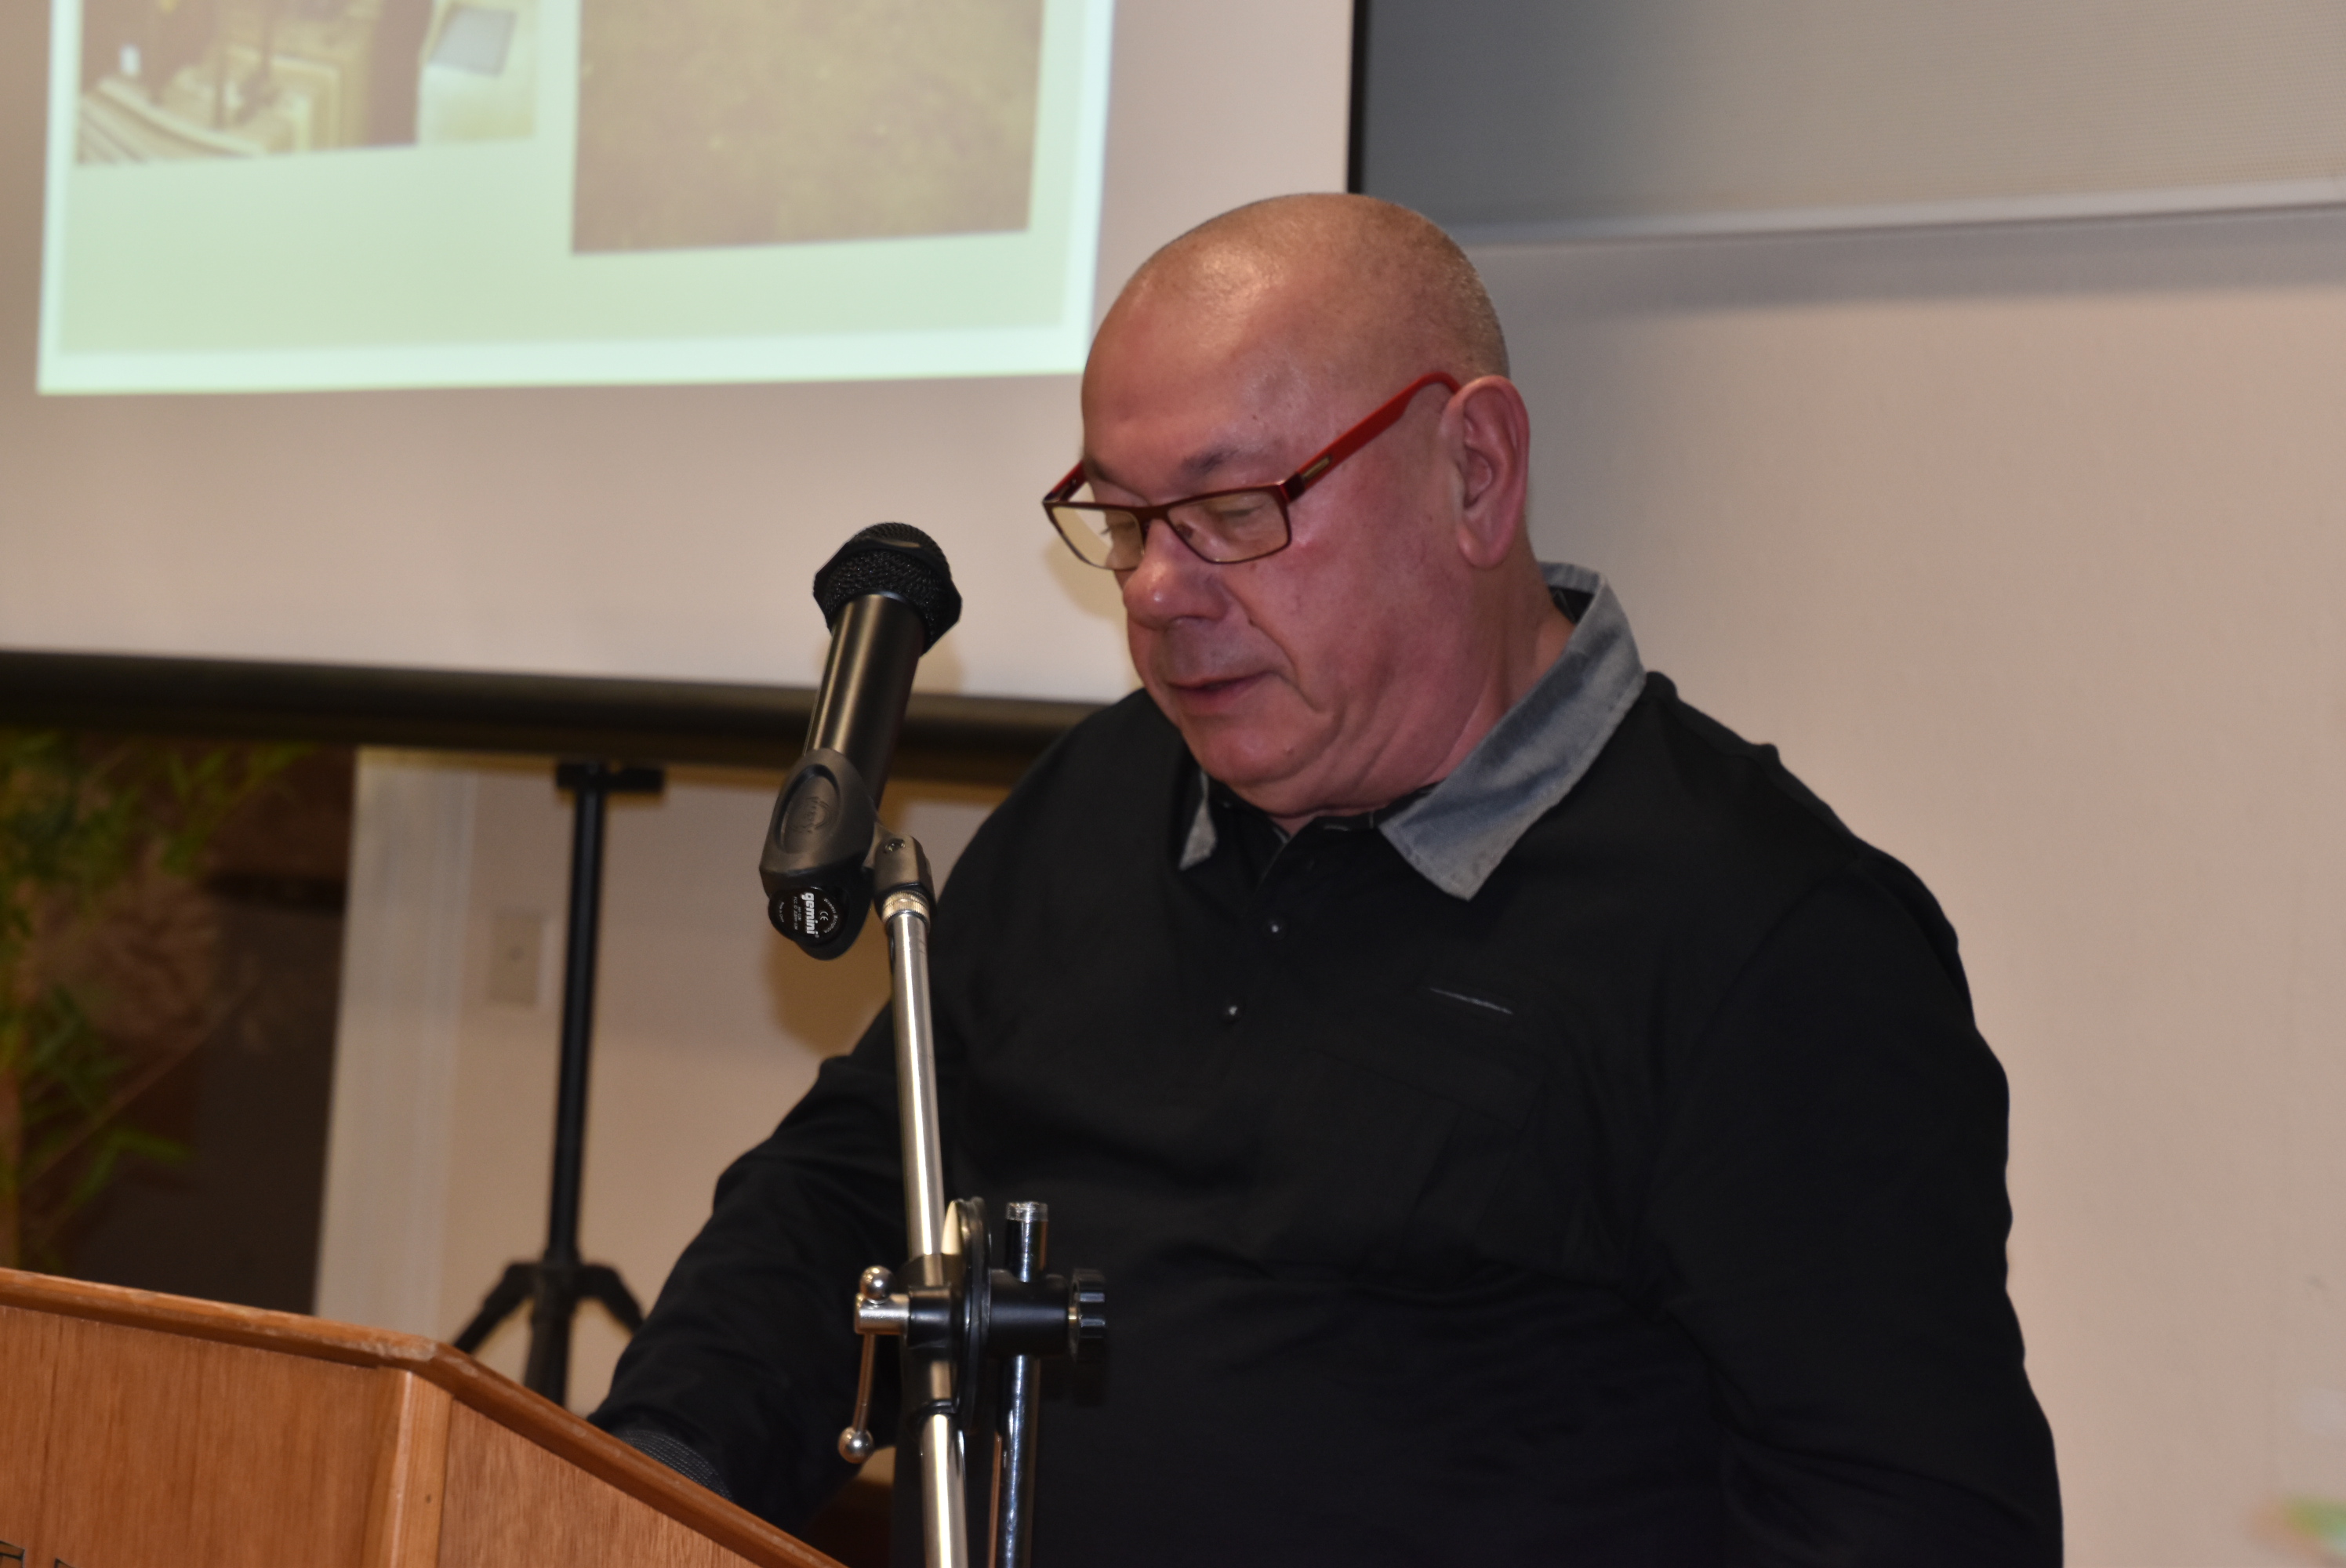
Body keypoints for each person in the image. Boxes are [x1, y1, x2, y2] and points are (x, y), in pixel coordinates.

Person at [593, 194, 2063, 1565]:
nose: (1158, 590)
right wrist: (649, 1476)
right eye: (1125, 521)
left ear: (1475, 474)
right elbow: (854, 1189)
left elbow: (1912, 1520)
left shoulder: (1770, 940)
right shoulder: (1100, 799)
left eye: (1235, 509)